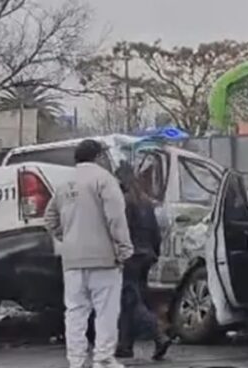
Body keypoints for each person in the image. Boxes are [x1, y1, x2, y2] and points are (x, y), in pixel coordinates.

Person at [44, 139, 134, 368]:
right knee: (105, 311)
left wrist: (68, 238)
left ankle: (76, 360)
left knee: (75, 312)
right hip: (104, 259)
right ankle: (103, 358)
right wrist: (123, 248)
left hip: (72, 260)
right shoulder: (105, 180)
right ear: (99, 156)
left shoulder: (64, 184)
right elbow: (115, 217)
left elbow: (50, 218)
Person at [114, 164, 173, 361]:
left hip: (130, 257)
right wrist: (154, 253)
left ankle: (158, 333)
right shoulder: (146, 202)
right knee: (128, 300)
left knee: (130, 301)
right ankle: (125, 345)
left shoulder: (124, 202)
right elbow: (156, 233)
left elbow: (120, 233)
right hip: (146, 257)